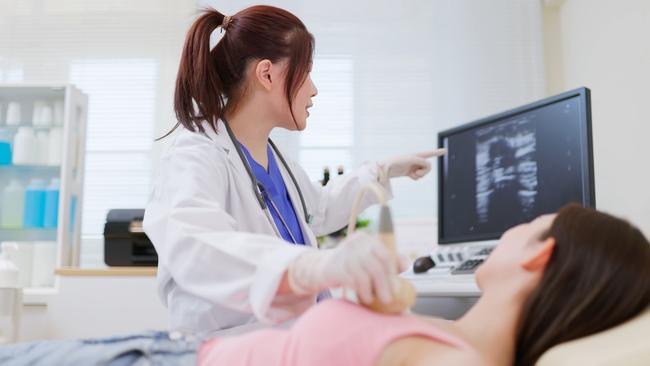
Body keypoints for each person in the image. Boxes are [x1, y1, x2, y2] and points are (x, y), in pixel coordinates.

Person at [2, 204, 648, 365]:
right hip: (160, 349)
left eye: (526, 225)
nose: (507, 230)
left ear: (541, 256)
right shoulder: (452, 335)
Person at [143, 5, 444, 336]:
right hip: (236, 347)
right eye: (307, 72)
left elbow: (318, 209)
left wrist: (382, 171)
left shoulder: (273, 157)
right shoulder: (196, 155)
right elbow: (197, 248)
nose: (313, 89)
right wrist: (316, 267)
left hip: (300, 338)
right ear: (267, 74)